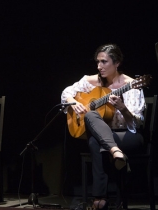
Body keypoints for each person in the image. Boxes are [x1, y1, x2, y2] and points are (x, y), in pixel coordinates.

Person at [61, 44, 145, 209]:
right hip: (107, 137)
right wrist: (74, 102)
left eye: (104, 62)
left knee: (95, 141)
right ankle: (115, 152)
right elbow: (66, 92)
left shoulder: (132, 85)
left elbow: (138, 123)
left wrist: (122, 108)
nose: (99, 66)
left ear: (117, 63)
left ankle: (100, 199)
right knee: (92, 117)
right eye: (98, 62)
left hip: (128, 134)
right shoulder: (91, 82)